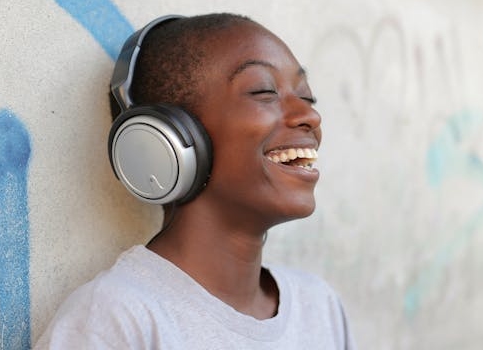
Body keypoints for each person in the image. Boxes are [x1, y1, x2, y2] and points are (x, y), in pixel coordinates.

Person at [35, 13, 353, 349]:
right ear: (169, 139)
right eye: (264, 91)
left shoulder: (320, 306)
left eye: (307, 98)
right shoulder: (114, 319)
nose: (310, 116)